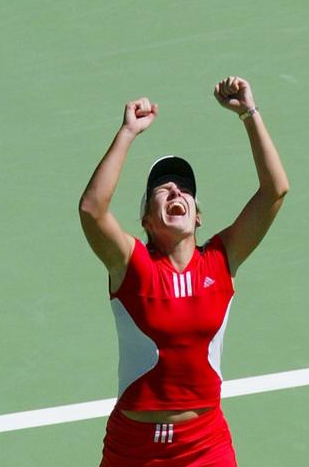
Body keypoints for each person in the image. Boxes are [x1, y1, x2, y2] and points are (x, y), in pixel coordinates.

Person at [78, 77, 289, 466]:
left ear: (198, 216)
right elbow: (92, 210)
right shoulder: (132, 266)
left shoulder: (221, 261)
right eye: (163, 188)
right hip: (133, 449)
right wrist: (127, 132)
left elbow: (274, 190)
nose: (176, 191)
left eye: (185, 189)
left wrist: (248, 113)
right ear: (146, 220)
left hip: (204, 446)